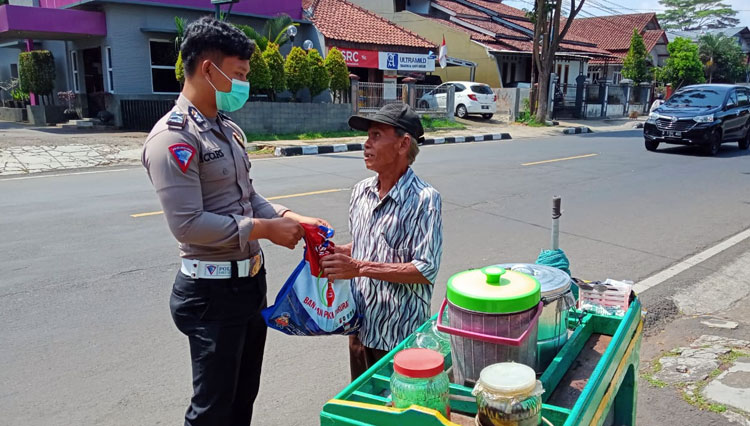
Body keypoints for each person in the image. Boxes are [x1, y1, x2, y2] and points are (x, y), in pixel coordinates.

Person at [141, 17, 328, 426]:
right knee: (212, 411)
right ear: (209, 70)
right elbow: (189, 225)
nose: (244, 83)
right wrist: (263, 230)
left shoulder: (227, 130)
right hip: (211, 293)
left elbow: (247, 198)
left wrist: (287, 216)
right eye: (239, 74)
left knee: (242, 400)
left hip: (247, 285)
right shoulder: (175, 139)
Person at [320, 103, 443, 380]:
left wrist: (359, 267)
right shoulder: (360, 192)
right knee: (361, 410)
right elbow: (365, 244)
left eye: (376, 135)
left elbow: (425, 269)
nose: (366, 144)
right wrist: (339, 253)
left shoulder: (425, 200)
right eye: (367, 136)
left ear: (403, 144)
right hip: (359, 328)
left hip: (399, 338)